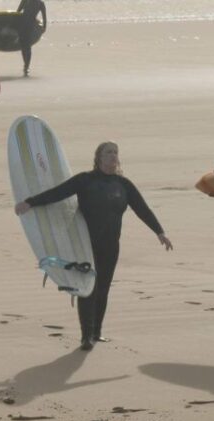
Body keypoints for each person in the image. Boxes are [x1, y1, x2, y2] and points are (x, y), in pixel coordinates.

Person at [15, 142, 173, 351]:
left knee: (103, 289)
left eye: (115, 152)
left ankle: (97, 332)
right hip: (84, 245)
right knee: (88, 288)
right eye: (108, 152)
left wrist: (159, 231)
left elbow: (142, 208)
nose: (113, 156)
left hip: (110, 246)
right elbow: (58, 193)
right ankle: (86, 336)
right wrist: (30, 202)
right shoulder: (85, 180)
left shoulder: (123, 185)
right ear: (98, 157)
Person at [16, 0, 47, 76]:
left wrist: (44, 27)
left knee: (28, 46)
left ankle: (27, 66)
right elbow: (17, 12)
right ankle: (25, 64)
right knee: (23, 46)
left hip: (30, 26)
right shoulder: (25, 1)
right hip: (22, 25)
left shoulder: (40, 3)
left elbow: (44, 17)